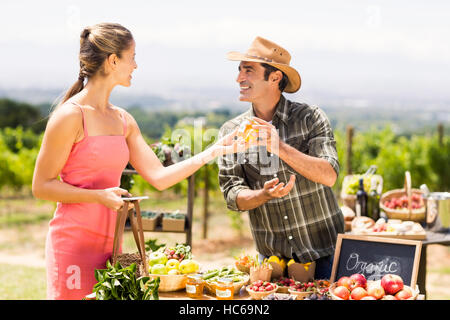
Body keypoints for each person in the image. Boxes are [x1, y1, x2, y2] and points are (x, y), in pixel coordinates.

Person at [32, 23, 245, 300]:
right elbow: (41, 186)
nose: (136, 65)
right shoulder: (71, 116)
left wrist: (213, 152)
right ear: (112, 61)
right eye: (132, 56)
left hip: (113, 246)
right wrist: (98, 196)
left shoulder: (123, 120)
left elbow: (159, 177)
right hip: (73, 243)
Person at [218, 36, 344, 280]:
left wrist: (278, 146)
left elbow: (329, 174)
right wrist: (262, 195)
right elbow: (232, 195)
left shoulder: (310, 118)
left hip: (326, 256)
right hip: (273, 264)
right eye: (239, 70)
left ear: (275, 77)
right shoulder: (231, 131)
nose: (239, 78)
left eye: (249, 70)